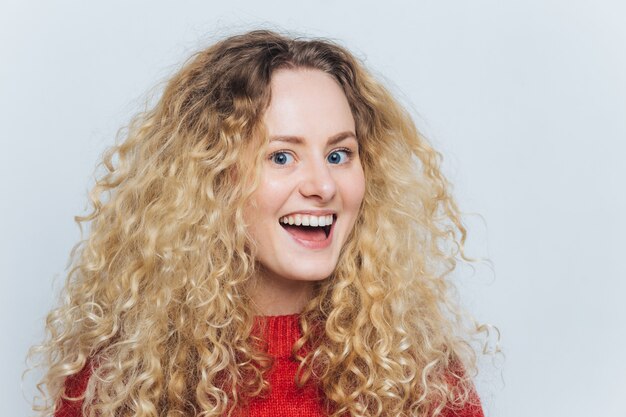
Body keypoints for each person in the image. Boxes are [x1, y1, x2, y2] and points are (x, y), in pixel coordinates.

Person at [30, 30, 486, 417]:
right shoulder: (119, 380)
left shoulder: (421, 376)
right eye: (281, 156)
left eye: (338, 154)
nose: (323, 185)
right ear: (212, 179)